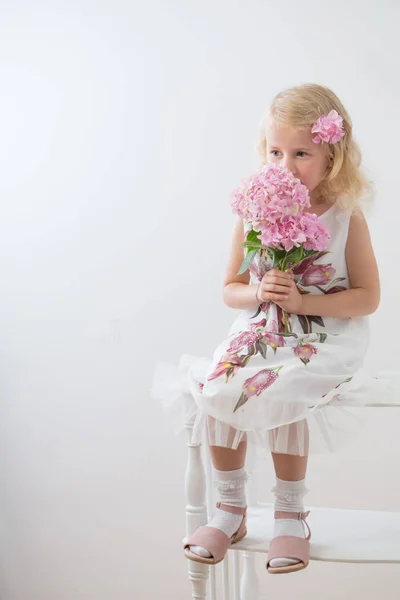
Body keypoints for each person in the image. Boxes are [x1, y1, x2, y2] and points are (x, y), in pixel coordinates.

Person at [151, 83, 385, 574]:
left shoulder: (346, 217)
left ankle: (289, 514)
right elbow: (230, 288)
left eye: (301, 153)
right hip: (263, 324)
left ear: (332, 155)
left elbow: (368, 297)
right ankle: (230, 508)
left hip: (324, 333)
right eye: (275, 151)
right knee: (219, 379)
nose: (285, 166)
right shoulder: (253, 211)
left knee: (287, 384)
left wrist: (303, 300)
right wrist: (259, 294)